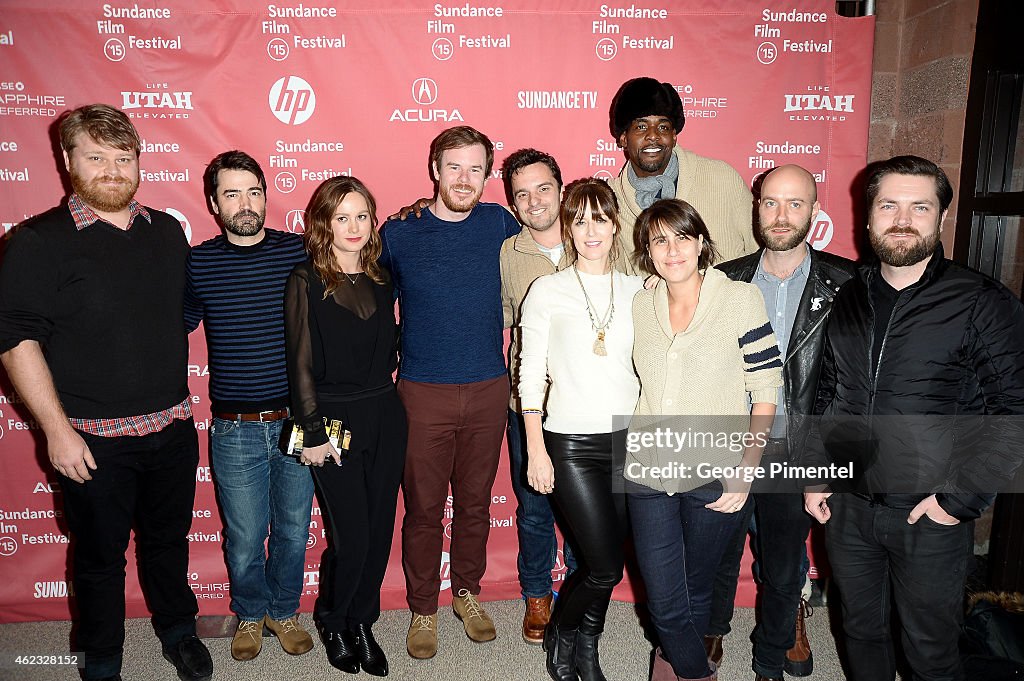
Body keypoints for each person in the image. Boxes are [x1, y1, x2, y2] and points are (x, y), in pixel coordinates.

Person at [0, 104, 212, 681]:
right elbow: (17, 341)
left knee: (168, 545)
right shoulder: (37, 242)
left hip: (171, 431)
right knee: (98, 562)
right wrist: (57, 432)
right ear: (69, 161)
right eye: (96, 157)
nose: (113, 170)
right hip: (92, 442)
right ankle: (102, 660)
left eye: (124, 158)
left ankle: (177, 631)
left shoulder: (167, 232)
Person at [803, 155, 1024, 681]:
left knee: (930, 650)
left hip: (929, 512)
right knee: (860, 633)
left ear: (941, 218)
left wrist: (959, 501)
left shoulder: (981, 301)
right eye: (889, 205)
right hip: (849, 509)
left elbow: (1013, 411)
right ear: (867, 216)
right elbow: (828, 391)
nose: (902, 219)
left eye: (919, 206)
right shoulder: (848, 295)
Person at [709, 165, 857, 681]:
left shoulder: (848, 284)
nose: (781, 215)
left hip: (797, 451)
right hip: (728, 445)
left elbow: (848, 384)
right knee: (717, 555)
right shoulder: (722, 279)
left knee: (782, 565)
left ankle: (771, 654)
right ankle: (711, 630)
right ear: (756, 208)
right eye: (771, 202)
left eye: (795, 204)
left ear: (815, 213)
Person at [625, 199, 782, 681]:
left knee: (696, 590)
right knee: (665, 599)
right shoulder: (641, 301)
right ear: (648, 252)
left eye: (681, 237)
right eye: (659, 240)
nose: (672, 250)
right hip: (649, 467)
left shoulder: (739, 299)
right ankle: (697, 673)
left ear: (700, 242)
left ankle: (670, 666)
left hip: (717, 467)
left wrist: (746, 469)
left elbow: (765, 388)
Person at [379, 125, 520, 660]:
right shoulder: (398, 232)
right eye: (453, 167)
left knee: (477, 503)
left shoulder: (500, 224)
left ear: (488, 175)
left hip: (488, 387)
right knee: (422, 508)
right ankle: (422, 606)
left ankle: (467, 591)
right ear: (434, 170)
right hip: (422, 391)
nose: (464, 178)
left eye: (475, 169)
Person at [184, 150, 314, 661]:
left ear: (266, 195)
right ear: (214, 204)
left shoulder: (297, 252)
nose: (245, 203)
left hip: (297, 421)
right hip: (234, 428)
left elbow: (359, 251)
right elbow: (173, 325)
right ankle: (250, 614)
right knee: (242, 536)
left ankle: (283, 612)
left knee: (292, 527)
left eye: (254, 191)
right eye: (232, 193)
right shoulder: (199, 262)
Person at [519, 177, 643, 681]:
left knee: (604, 562)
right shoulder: (546, 290)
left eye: (599, 218)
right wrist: (535, 449)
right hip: (568, 444)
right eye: (579, 219)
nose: (589, 229)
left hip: (631, 443)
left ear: (616, 225)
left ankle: (584, 646)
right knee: (604, 566)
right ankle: (563, 635)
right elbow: (529, 373)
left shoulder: (642, 288)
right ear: (568, 228)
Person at [284, 175, 407, 677]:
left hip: (385, 413)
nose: (353, 226)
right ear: (323, 223)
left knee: (379, 533)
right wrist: (310, 432)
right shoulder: (305, 279)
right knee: (351, 534)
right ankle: (333, 620)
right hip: (331, 420)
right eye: (342, 217)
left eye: (362, 215)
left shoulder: (382, 276)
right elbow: (299, 364)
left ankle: (362, 621)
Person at [499, 148, 578, 644]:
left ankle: (578, 590)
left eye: (542, 188)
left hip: (588, 406)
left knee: (585, 508)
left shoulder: (597, 237)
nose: (533, 201)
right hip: (528, 405)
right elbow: (506, 317)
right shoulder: (507, 252)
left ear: (561, 189)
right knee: (533, 506)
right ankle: (537, 595)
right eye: (521, 194)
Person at [609, 76, 756, 262]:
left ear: (674, 136)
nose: (653, 135)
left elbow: (763, 257)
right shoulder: (612, 204)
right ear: (623, 138)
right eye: (641, 126)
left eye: (663, 127)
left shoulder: (722, 179)